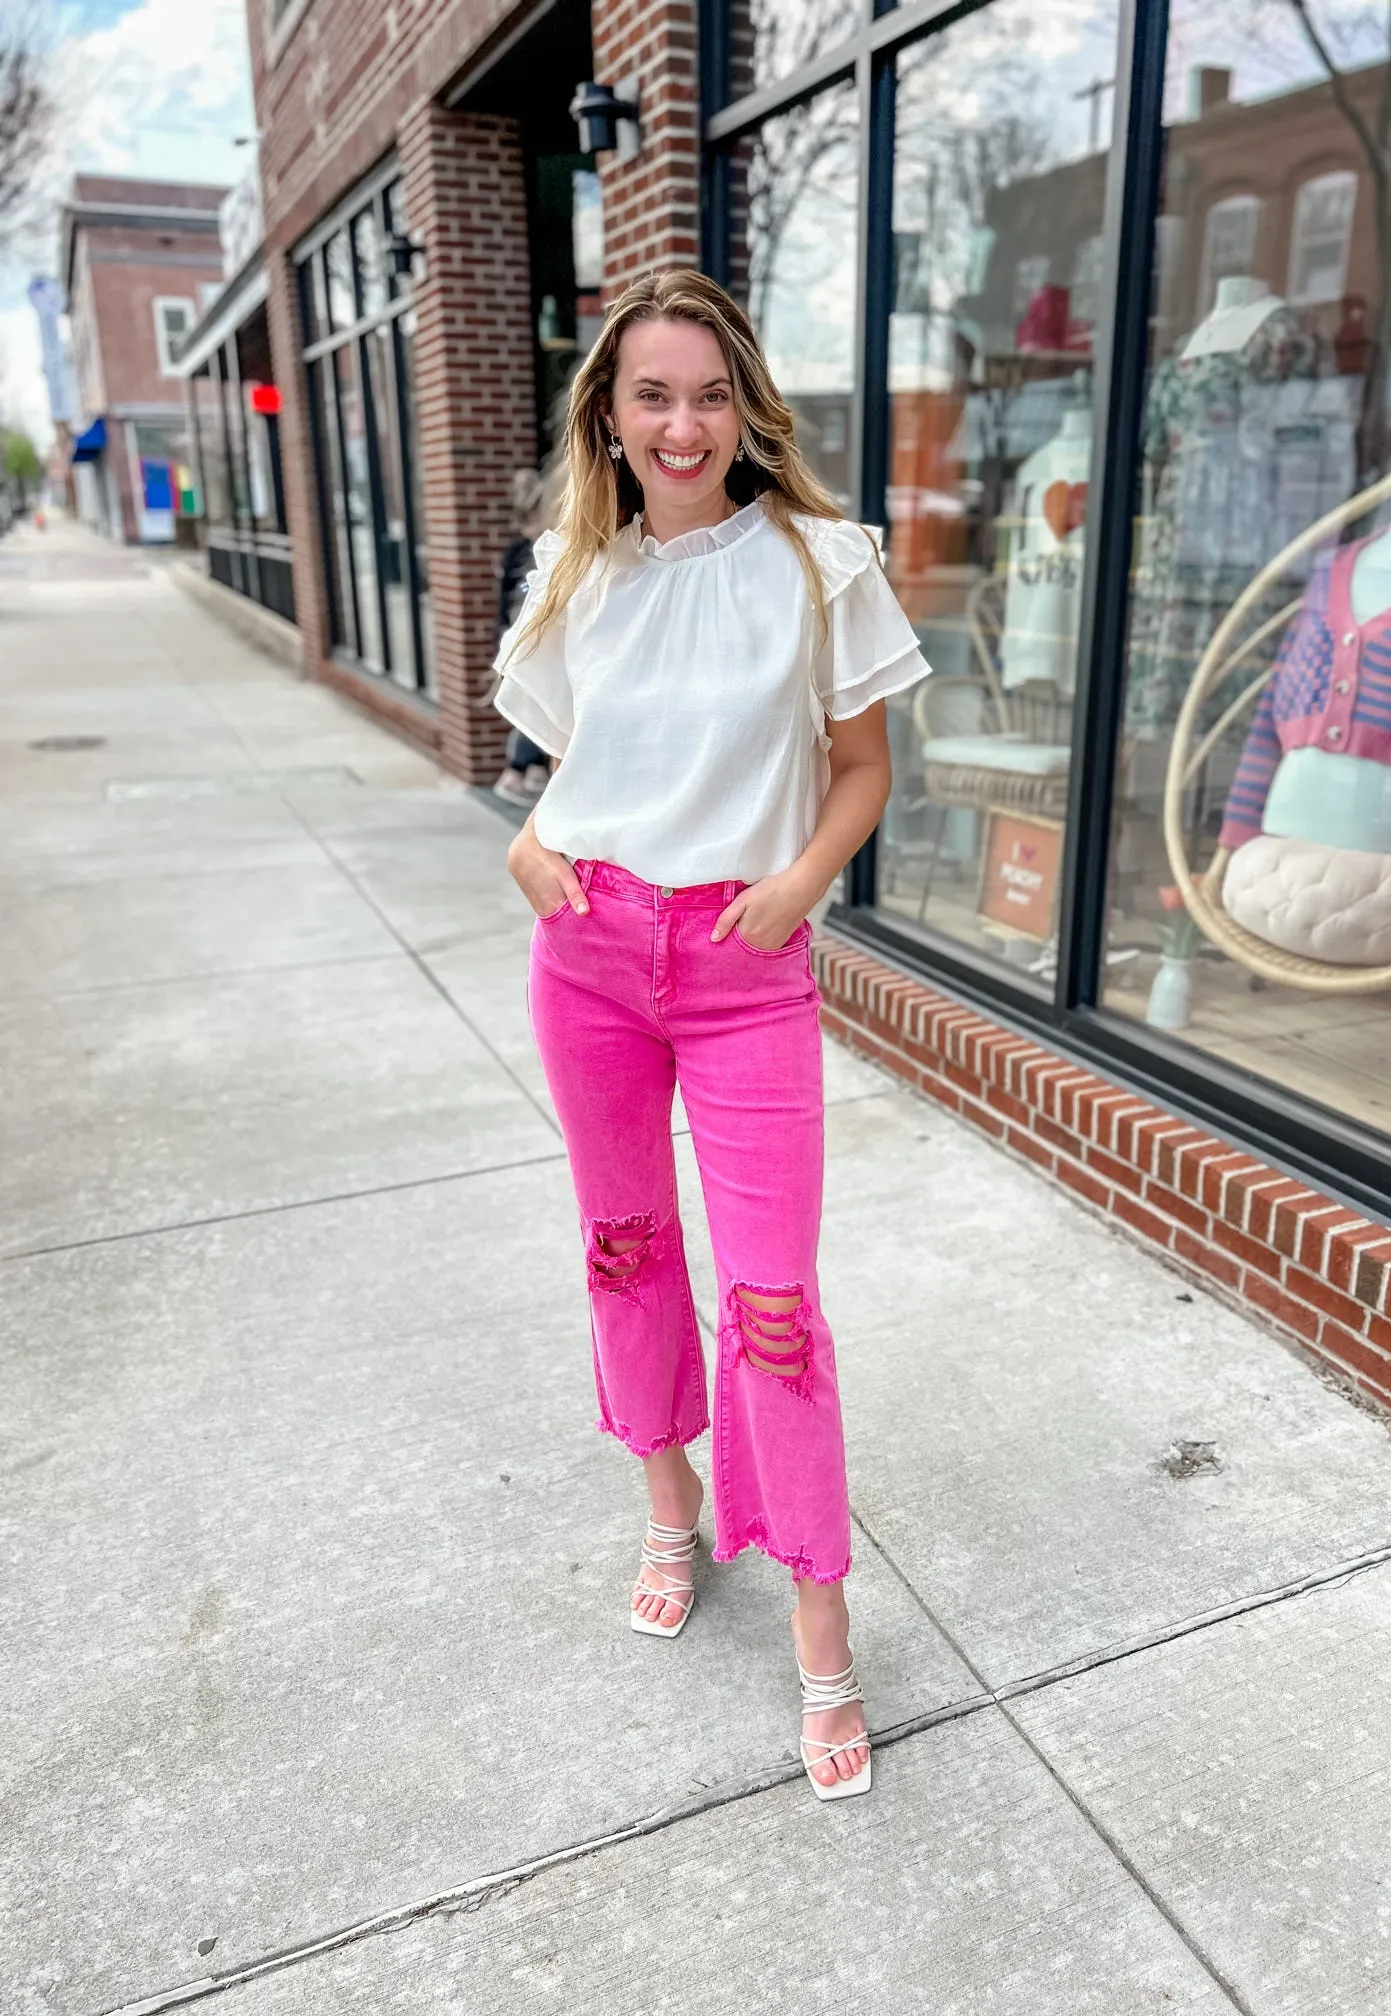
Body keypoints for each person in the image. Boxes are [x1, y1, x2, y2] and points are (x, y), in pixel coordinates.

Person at [493, 269, 929, 1800]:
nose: (683, 424)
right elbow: (578, 766)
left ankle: (823, 1638)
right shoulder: (575, 568)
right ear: (608, 417)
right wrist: (528, 851)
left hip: (747, 964)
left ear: (747, 406)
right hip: (591, 949)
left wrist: (796, 888)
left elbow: (863, 769)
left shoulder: (818, 560)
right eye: (651, 396)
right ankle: (669, 1504)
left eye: (708, 393)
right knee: (626, 1241)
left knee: (776, 1303)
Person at [494, 472, 554, 805]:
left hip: (522, 642)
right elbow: (516, 603)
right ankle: (517, 772)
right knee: (533, 709)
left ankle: (531, 773)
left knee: (537, 710)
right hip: (527, 644)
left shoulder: (529, 551)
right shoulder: (530, 554)